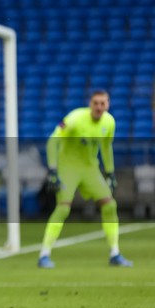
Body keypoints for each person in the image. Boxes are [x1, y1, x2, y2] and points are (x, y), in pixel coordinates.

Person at [37, 90, 133, 268]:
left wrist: (110, 173)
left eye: (102, 103)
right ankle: (44, 254)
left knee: (110, 205)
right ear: (90, 104)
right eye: (95, 103)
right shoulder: (75, 119)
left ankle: (115, 253)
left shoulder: (109, 122)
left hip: (90, 168)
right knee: (63, 209)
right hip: (68, 168)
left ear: (108, 104)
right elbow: (52, 141)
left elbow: (106, 147)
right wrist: (52, 170)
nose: (99, 107)